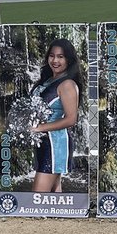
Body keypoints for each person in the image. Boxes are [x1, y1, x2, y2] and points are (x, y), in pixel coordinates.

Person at [30, 38, 83, 192]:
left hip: (56, 144)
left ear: (69, 59)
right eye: (52, 56)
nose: (55, 60)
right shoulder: (47, 80)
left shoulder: (67, 84)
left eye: (61, 57)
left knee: (37, 197)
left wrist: (39, 128)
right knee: (54, 193)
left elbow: (71, 119)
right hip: (43, 142)